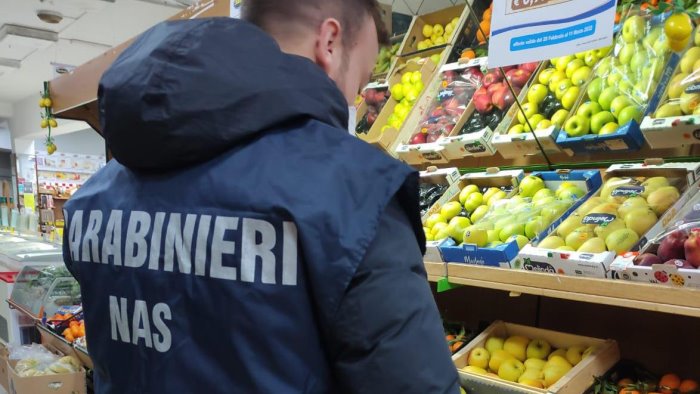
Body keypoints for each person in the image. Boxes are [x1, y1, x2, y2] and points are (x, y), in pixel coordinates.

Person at [62, 0, 459, 392]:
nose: (355, 98)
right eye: (360, 77)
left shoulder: (90, 202)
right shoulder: (352, 194)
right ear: (330, 43)